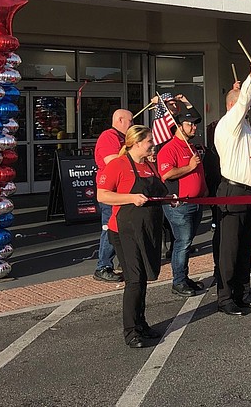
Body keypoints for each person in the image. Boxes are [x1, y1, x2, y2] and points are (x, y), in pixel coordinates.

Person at [97, 126, 168, 348]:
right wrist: (130, 198)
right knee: (134, 281)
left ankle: (141, 324)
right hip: (124, 230)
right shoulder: (118, 165)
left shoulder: (149, 166)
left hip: (146, 228)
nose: (152, 144)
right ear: (136, 143)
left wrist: (170, 198)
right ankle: (131, 332)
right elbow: (103, 195)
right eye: (149, 141)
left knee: (143, 279)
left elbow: (157, 193)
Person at [213, 54, 251, 316]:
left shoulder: (248, 130)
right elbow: (246, 99)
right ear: (232, 106)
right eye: (241, 106)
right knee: (230, 249)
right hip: (233, 191)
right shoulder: (228, 125)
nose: (246, 108)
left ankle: (242, 292)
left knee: (246, 246)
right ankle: (225, 298)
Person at [157, 108, 208, 297]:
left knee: (187, 242)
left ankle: (184, 278)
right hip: (179, 204)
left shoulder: (190, 146)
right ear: (179, 126)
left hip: (195, 201)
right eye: (190, 124)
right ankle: (178, 281)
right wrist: (189, 167)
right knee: (182, 242)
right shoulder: (169, 148)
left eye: (195, 124)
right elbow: (166, 174)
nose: (194, 127)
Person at [93, 108, 132, 282]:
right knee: (109, 227)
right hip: (110, 189)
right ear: (120, 120)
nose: (132, 125)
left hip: (122, 190)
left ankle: (122, 261)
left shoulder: (123, 138)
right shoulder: (109, 136)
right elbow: (113, 160)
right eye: (130, 121)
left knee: (123, 227)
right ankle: (103, 266)